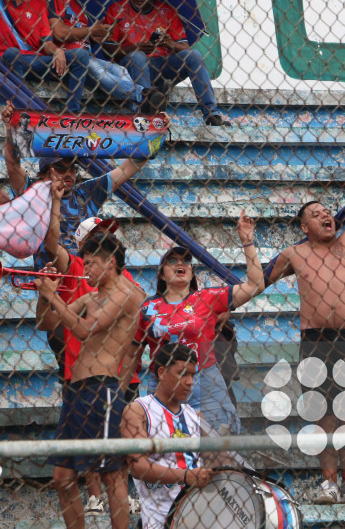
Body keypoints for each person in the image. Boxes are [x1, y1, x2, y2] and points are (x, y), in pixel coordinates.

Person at [267, 134, 345, 509]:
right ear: (303, 226)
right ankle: (328, 482)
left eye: (328, 211)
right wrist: (246, 244)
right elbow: (258, 281)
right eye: (316, 213)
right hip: (315, 338)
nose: (325, 215)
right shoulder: (294, 253)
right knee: (321, 411)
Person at [35, 232, 145, 529]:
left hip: (102, 389)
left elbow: (84, 330)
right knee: (62, 477)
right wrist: (44, 295)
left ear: (110, 263)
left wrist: (53, 295)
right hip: (75, 389)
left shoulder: (125, 293)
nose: (85, 271)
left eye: (91, 264)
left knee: (111, 475)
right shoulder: (91, 296)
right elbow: (47, 322)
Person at [125, 211, 265, 435]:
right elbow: (133, 351)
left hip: (204, 380)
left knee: (217, 446)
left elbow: (255, 285)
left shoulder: (207, 298)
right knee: (167, 447)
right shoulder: (147, 308)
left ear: (191, 274)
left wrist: (247, 242)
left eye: (186, 261)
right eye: (173, 260)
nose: (180, 263)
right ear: (161, 274)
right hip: (163, 382)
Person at [2, 100, 160, 263]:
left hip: (85, 278)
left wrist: (157, 131)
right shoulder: (34, 192)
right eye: (61, 168)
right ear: (44, 173)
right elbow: (12, 166)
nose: (69, 174)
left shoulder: (87, 191)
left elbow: (128, 168)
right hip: (51, 276)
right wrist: (9, 130)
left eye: (73, 168)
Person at [103, 0, 230, 126]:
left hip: (163, 64)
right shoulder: (117, 10)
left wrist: (170, 44)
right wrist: (135, 48)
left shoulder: (166, 12)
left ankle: (212, 114)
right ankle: (148, 111)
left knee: (194, 55)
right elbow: (108, 50)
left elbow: (185, 48)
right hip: (132, 66)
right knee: (138, 57)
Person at [43, 0, 165, 113]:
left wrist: (94, 37)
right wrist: (89, 30)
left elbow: (81, 38)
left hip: (87, 57)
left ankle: (140, 112)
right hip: (68, 60)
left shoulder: (78, 5)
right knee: (100, 71)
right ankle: (144, 94)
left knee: (121, 71)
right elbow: (58, 32)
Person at [122, 343, 216, 529]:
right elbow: (138, 468)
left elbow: (214, 464)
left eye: (192, 375)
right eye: (183, 374)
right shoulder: (138, 411)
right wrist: (186, 476)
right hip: (159, 520)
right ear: (162, 373)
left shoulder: (196, 417)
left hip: (200, 517)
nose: (190, 381)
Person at [0, 0, 90, 114]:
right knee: (12, 54)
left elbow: (47, 42)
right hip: (6, 61)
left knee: (80, 56)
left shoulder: (36, 5)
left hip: (34, 61)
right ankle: (21, 113)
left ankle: (71, 115)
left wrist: (57, 51)